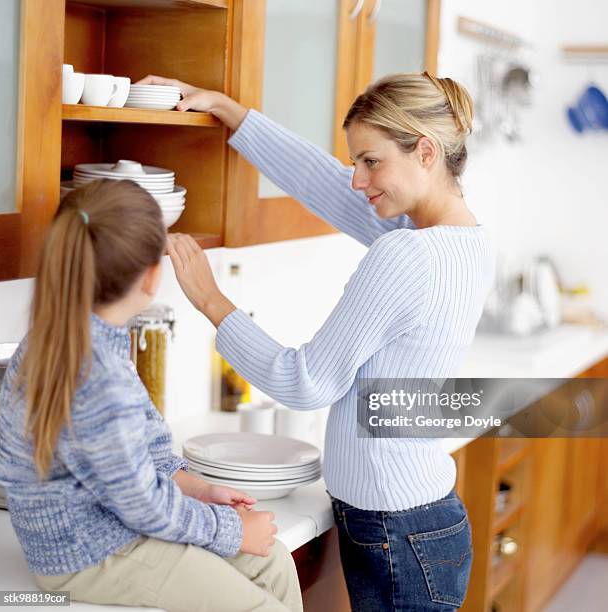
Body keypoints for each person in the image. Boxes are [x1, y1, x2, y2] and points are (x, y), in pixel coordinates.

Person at [139, 71, 495, 611]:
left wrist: (210, 299)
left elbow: (304, 382)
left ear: (425, 151)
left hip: (396, 532)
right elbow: (324, 183)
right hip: (422, 521)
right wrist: (230, 112)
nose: (357, 179)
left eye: (371, 161)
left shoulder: (407, 254)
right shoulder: (462, 241)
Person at [0, 180, 302, 612]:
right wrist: (231, 530)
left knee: (272, 559)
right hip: (89, 552)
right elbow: (143, 506)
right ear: (153, 275)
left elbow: (143, 450)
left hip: (106, 526)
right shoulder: (98, 373)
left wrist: (195, 488)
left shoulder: (87, 338)